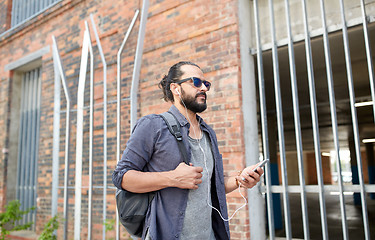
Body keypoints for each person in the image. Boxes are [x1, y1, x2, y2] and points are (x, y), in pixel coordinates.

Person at [112, 61, 264, 240]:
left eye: (206, 84)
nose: (204, 88)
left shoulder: (208, 132)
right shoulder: (153, 126)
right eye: (196, 82)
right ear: (176, 88)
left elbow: (211, 185)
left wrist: (240, 180)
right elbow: (121, 177)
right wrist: (173, 178)